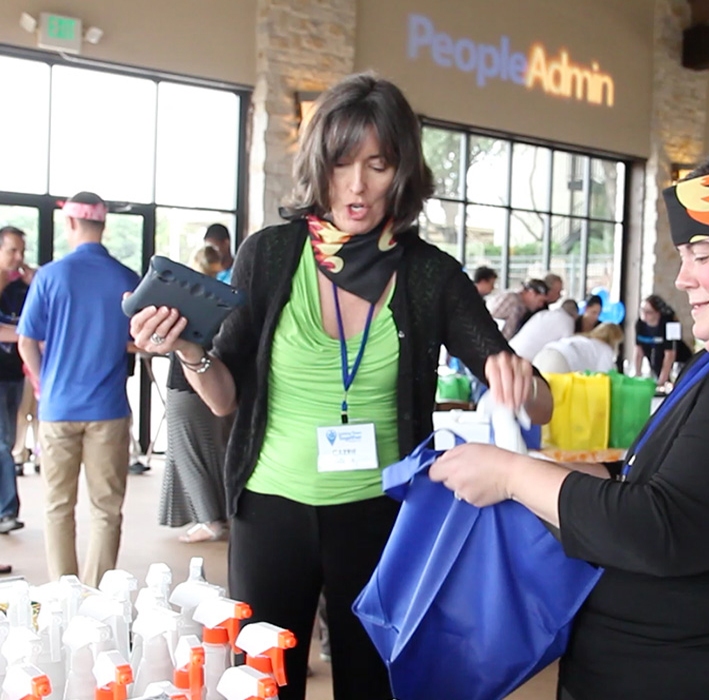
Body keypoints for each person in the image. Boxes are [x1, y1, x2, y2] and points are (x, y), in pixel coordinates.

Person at [128, 72, 553, 700]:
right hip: (271, 507)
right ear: (318, 166)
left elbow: (535, 396)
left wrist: (517, 379)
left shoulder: (430, 275)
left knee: (373, 681)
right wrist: (189, 348)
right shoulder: (270, 256)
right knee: (264, 682)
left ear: (403, 171)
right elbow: (225, 397)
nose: (357, 186)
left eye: (378, 165)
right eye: (342, 163)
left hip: (383, 516)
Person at [428, 144, 709, 700]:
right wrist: (542, 472)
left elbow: (662, 528)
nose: (684, 278)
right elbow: (660, 492)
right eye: (684, 256)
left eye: (702, 254)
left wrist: (510, 476)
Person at [17, 192, 140, 587]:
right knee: (106, 511)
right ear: (104, 226)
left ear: (70, 224)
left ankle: (63, 596)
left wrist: (42, 385)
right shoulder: (127, 279)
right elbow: (136, 340)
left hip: (58, 407)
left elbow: (26, 342)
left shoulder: (50, 276)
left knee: (57, 507)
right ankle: (97, 598)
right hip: (108, 409)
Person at [158, 245, 232, 543]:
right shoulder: (224, 298)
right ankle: (216, 515)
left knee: (188, 455)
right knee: (212, 453)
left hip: (185, 386)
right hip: (214, 385)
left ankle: (208, 519)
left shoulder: (185, 300)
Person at [0, 226, 30, 534]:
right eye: (12, 251)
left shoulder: (19, 288)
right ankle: (6, 510)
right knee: (2, 442)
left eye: (22, 251)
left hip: (12, 374)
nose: (19, 258)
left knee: (6, 441)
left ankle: (6, 510)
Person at [634, 294, 691, 385]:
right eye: (642, 310)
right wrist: (637, 375)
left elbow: (670, 355)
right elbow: (639, 351)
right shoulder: (640, 323)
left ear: (657, 313)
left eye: (648, 312)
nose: (644, 314)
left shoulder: (670, 323)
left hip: (678, 363)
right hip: (657, 361)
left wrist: (662, 381)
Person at [533, 322, 623, 374]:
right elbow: (604, 376)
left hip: (544, 353)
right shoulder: (605, 349)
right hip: (563, 360)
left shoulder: (584, 340)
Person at [509, 299, 578, 361]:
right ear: (575, 315)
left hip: (510, 350)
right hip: (525, 360)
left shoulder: (543, 313)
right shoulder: (567, 321)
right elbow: (568, 350)